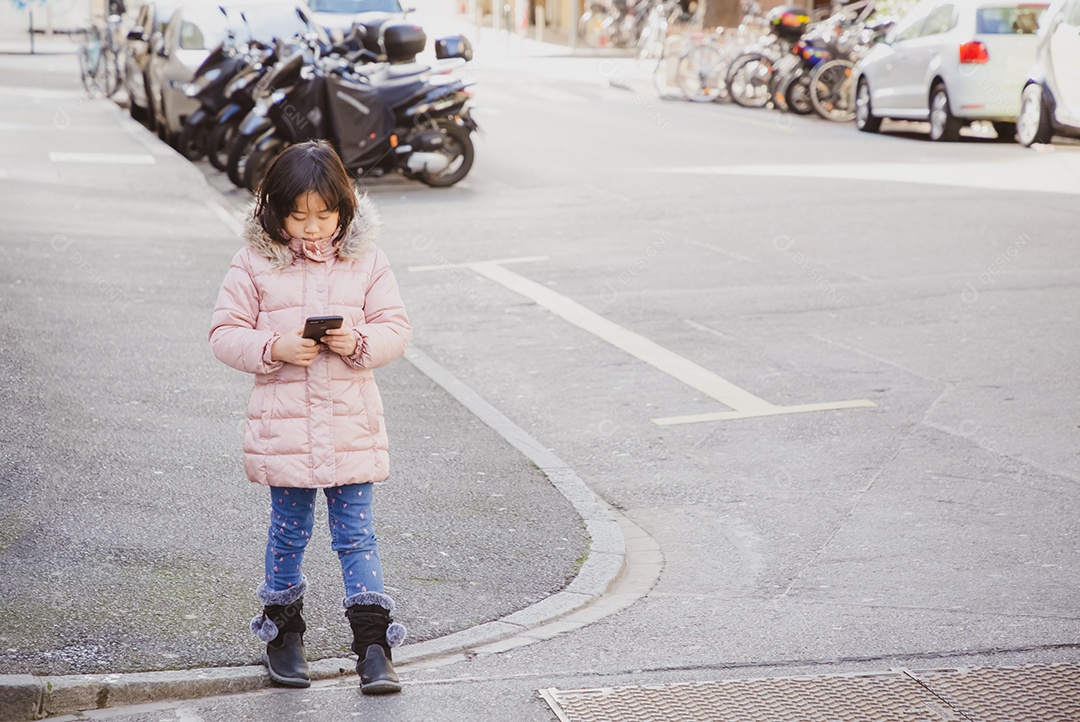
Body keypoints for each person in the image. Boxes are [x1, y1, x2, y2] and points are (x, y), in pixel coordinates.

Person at [209, 140, 412, 695]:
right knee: (288, 535)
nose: (313, 228)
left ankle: (373, 646)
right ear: (275, 211)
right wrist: (274, 348)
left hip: (350, 427)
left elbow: (396, 326)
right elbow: (224, 334)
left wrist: (357, 341)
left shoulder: (366, 257)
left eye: (325, 215)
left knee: (357, 538)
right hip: (286, 430)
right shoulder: (254, 261)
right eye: (299, 216)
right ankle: (283, 636)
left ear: (344, 208)